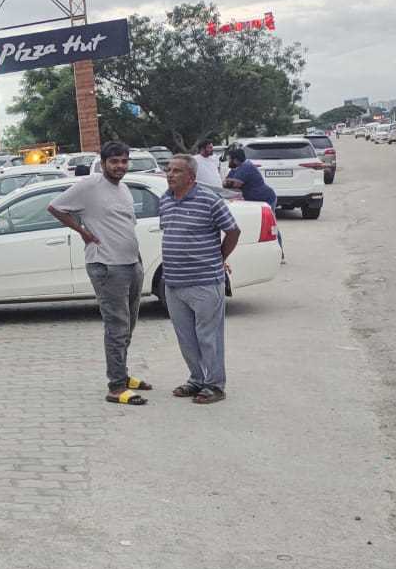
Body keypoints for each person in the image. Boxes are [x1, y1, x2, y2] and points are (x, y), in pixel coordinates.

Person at [48, 140, 152, 405]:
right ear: (103, 162)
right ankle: (116, 387)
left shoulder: (124, 188)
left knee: (128, 324)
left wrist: (137, 259)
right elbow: (55, 207)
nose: (120, 166)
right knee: (116, 326)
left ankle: (123, 374)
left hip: (131, 262)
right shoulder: (90, 186)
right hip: (107, 265)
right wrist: (83, 232)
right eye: (114, 161)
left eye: (124, 161)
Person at [160, 155, 241, 405]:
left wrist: (219, 257)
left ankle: (215, 385)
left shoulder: (209, 200)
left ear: (191, 177)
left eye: (177, 171)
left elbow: (233, 231)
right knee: (186, 337)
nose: (170, 175)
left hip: (205, 282)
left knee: (209, 336)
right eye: (168, 170)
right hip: (173, 283)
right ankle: (196, 379)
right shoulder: (165, 200)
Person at [224, 146, 284, 260]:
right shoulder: (236, 169)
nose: (228, 161)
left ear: (235, 159)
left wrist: (230, 182)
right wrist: (230, 181)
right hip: (253, 200)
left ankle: (279, 253)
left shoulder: (246, 167)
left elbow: (235, 184)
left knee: (271, 226)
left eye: (230, 159)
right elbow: (225, 182)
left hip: (266, 198)